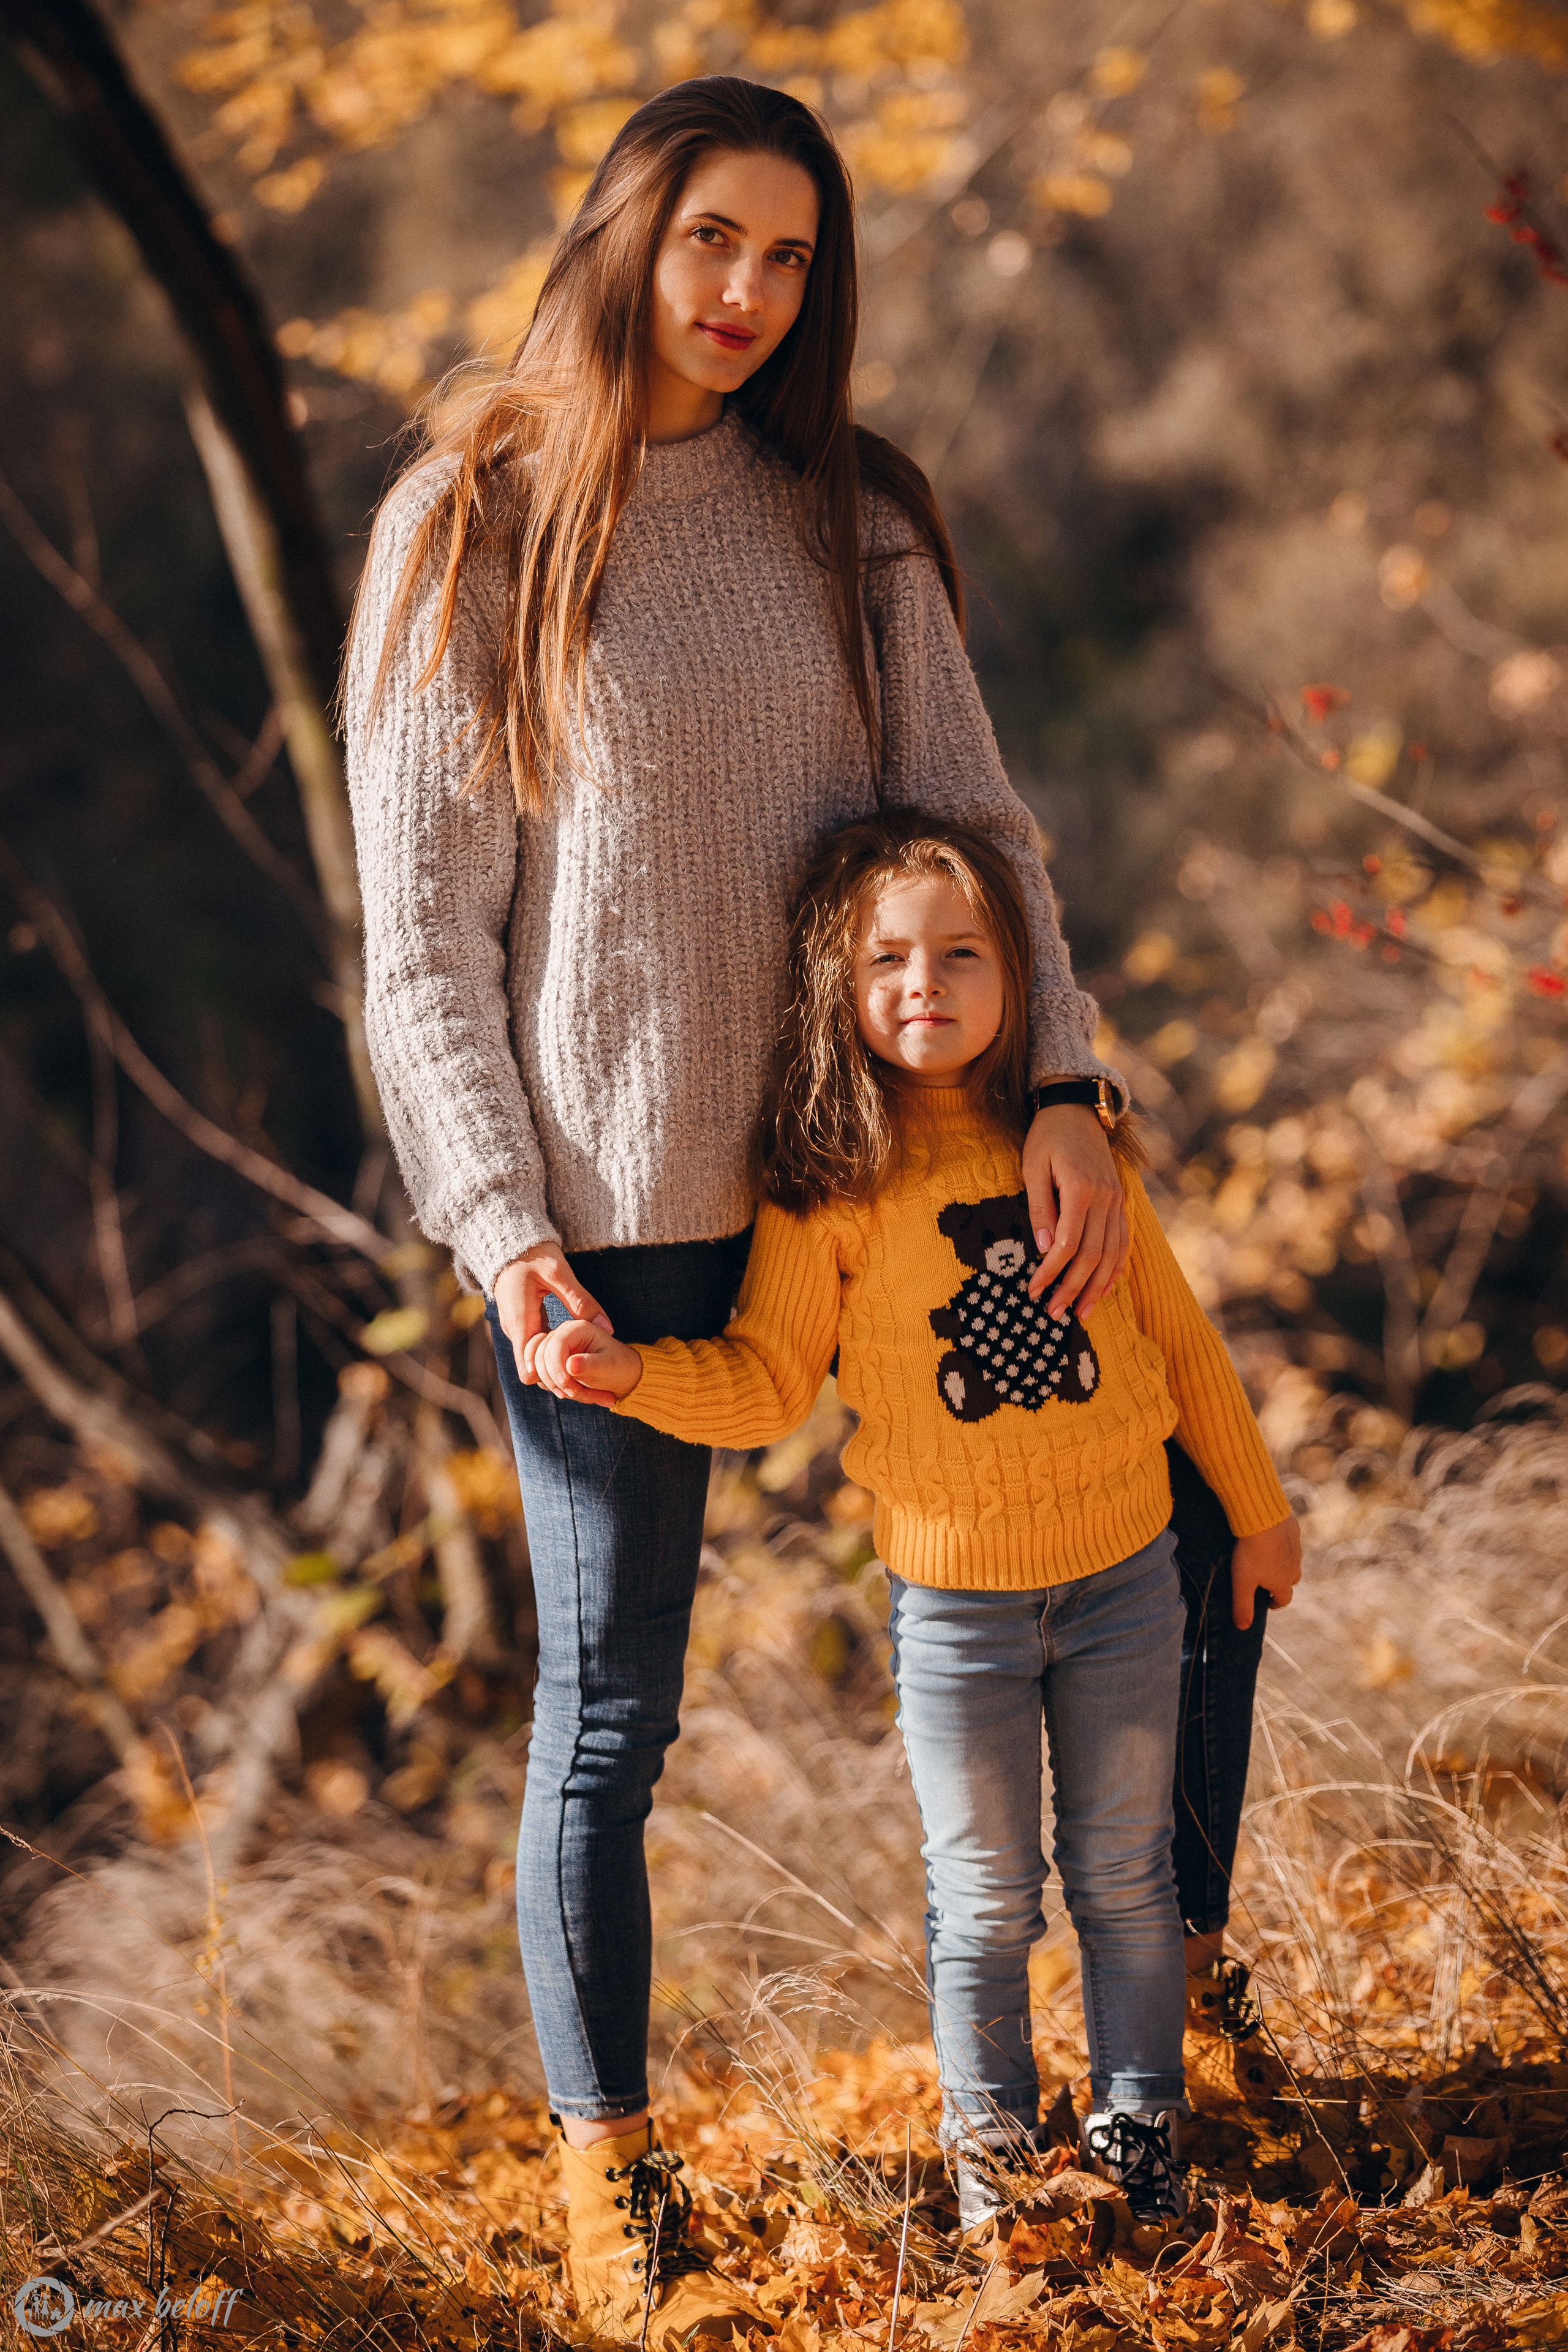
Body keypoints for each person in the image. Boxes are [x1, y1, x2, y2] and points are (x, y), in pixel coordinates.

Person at [345, 75, 1135, 2343]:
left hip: (897, 1181)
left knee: (1098, 1587)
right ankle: (614, 2180)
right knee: (612, 1719)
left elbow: (977, 820)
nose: (745, 295)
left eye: (792, 258)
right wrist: (509, 1234)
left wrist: (1061, 1078)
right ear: (624, 229)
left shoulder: (848, 513)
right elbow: (423, 946)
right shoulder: (475, 520)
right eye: (712, 240)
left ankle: (1103, 2098)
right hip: (616, 1231)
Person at [527, 813, 1303, 2234]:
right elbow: (766, 1382)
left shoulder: (1070, 1146)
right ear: (836, 984)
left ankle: (1140, 2124)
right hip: (955, 1614)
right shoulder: (823, 1185)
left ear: (1019, 976)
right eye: (884, 958)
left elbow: (1179, 1347)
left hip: (1127, 1575)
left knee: (1124, 1875)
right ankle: (995, 2159)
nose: (923, 983)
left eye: (961, 954)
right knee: (984, 1893)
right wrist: (634, 1377)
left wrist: (1253, 1514)